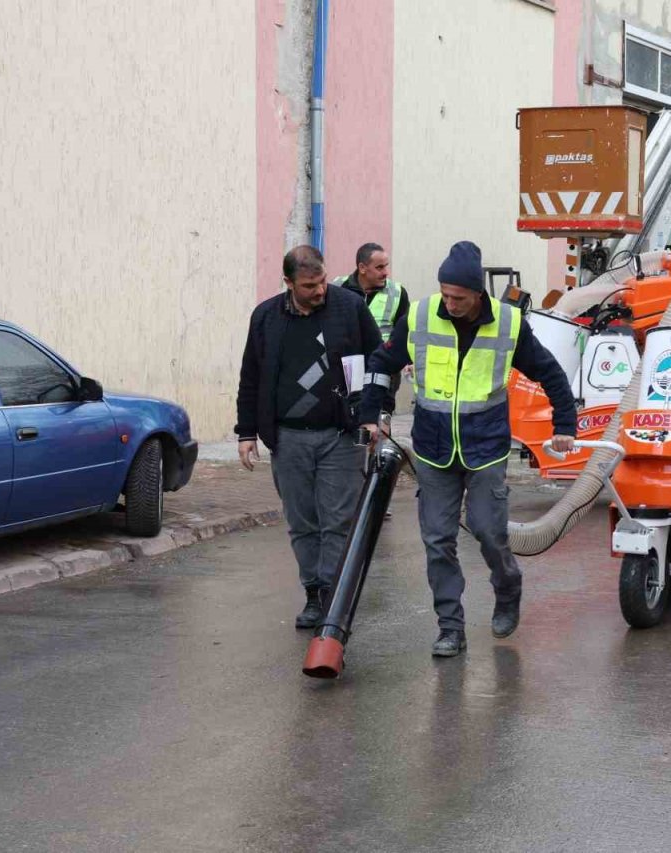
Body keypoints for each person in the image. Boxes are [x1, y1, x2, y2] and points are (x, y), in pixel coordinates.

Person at [358, 241, 577, 658]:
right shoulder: (421, 316)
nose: (449, 303)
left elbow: (551, 373)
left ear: (479, 294)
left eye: (458, 297)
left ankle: (507, 587)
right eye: (445, 294)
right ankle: (450, 627)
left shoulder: (509, 324)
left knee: (488, 531)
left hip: (486, 448)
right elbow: (381, 365)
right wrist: (371, 412)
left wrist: (564, 424)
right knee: (437, 540)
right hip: (433, 449)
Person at [236, 245, 385, 629]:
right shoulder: (266, 318)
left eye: (321, 282)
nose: (319, 291)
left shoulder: (349, 308)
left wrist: (372, 416)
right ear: (288, 283)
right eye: (308, 286)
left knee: (337, 521)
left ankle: (335, 599)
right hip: (287, 439)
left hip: (340, 435)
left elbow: (380, 364)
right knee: (303, 523)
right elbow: (251, 377)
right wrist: (246, 432)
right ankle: (314, 594)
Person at [333, 242, 409, 416]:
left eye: (386, 266)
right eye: (379, 267)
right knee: (347, 417)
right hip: (346, 366)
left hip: (382, 367)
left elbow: (403, 333)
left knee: (379, 418)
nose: (385, 272)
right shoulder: (337, 287)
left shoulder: (397, 293)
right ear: (362, 268)